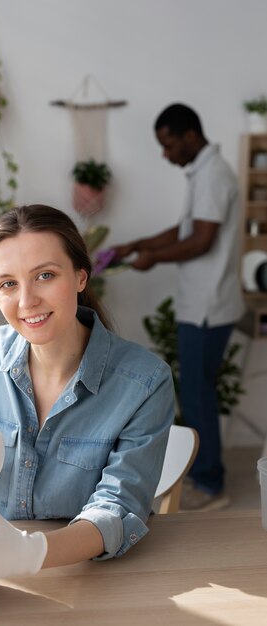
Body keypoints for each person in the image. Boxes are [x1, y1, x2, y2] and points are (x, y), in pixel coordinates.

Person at [0, 204, 174, 586]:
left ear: (81, 276)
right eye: (8, 284)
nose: (26, 301)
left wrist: (29, 553)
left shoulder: (145, 382)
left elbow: (117, 509)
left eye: (45, 276)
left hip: (84, 580)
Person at [113, 103, 245, 512]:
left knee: (197, 393)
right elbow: (188, 229)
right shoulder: (204, 172)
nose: (165, 154)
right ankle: (208, 478)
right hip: (202, 303)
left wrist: (154, 259)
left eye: (168, 145)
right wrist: (141, 243)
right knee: (196, 391)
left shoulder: (214, 175)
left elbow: (201, 241)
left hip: (208, 306)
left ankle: (209, 485)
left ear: (190, 136)